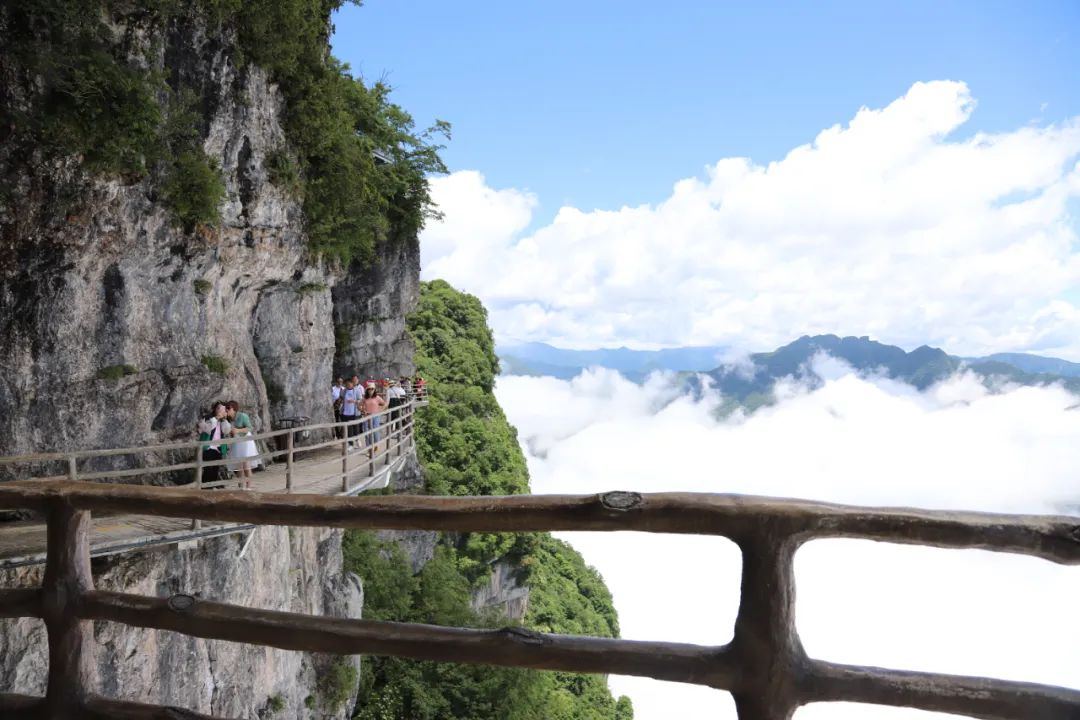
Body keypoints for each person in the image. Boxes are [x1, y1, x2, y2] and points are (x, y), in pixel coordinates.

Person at [225, 400, 258, 490]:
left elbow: (250, 427)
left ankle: (249, 485)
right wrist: (231, 434)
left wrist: (238, 430)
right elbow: (231, 431)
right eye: (226, 408)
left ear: (234, 408)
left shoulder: (243, 416)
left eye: (229, 408)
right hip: (237, 441)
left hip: (246, 441)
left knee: (246, 464)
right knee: (239, 465)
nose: (227, 410)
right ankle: (241, 485)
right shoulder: (229, 419)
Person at [197, 402, 228, 487]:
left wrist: (224, 419)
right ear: (215, 409)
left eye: (223, 409)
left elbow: (226, 431)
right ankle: (204, 488)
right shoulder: (207, 418)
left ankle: (211, 487)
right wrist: (216, 418)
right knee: (207, 469)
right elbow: (206, 429)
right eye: (220, 409)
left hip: (218, 448)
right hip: (207, 447)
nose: (221, 411)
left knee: (215, 469)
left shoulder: (223, 421)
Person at [360, 385, 387, 456]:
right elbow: (359, 405)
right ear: (367, 390)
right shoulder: (365, 398)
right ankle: (369, 449)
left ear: (374, 390)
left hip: (375, 416)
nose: (371, 390)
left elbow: (384, 404)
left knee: (375, 431)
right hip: (367, 416)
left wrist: (381, 410)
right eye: (369, 389)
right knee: (366, 432)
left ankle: (376, 446)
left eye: (372, 389)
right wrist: (362, 410)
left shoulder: (377, 397)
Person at [341, 378, 360, 446]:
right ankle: (350, 444)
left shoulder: (357, 390)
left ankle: (357, 440)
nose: (348, 385)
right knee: (348, 429)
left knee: (355, 427)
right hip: (345, 412)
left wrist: (354, 401)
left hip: (354, 412)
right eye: (346, 384)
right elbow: (341, 398)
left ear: (352, 384)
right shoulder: (343, 391)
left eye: (349, 384)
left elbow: (360, 400)